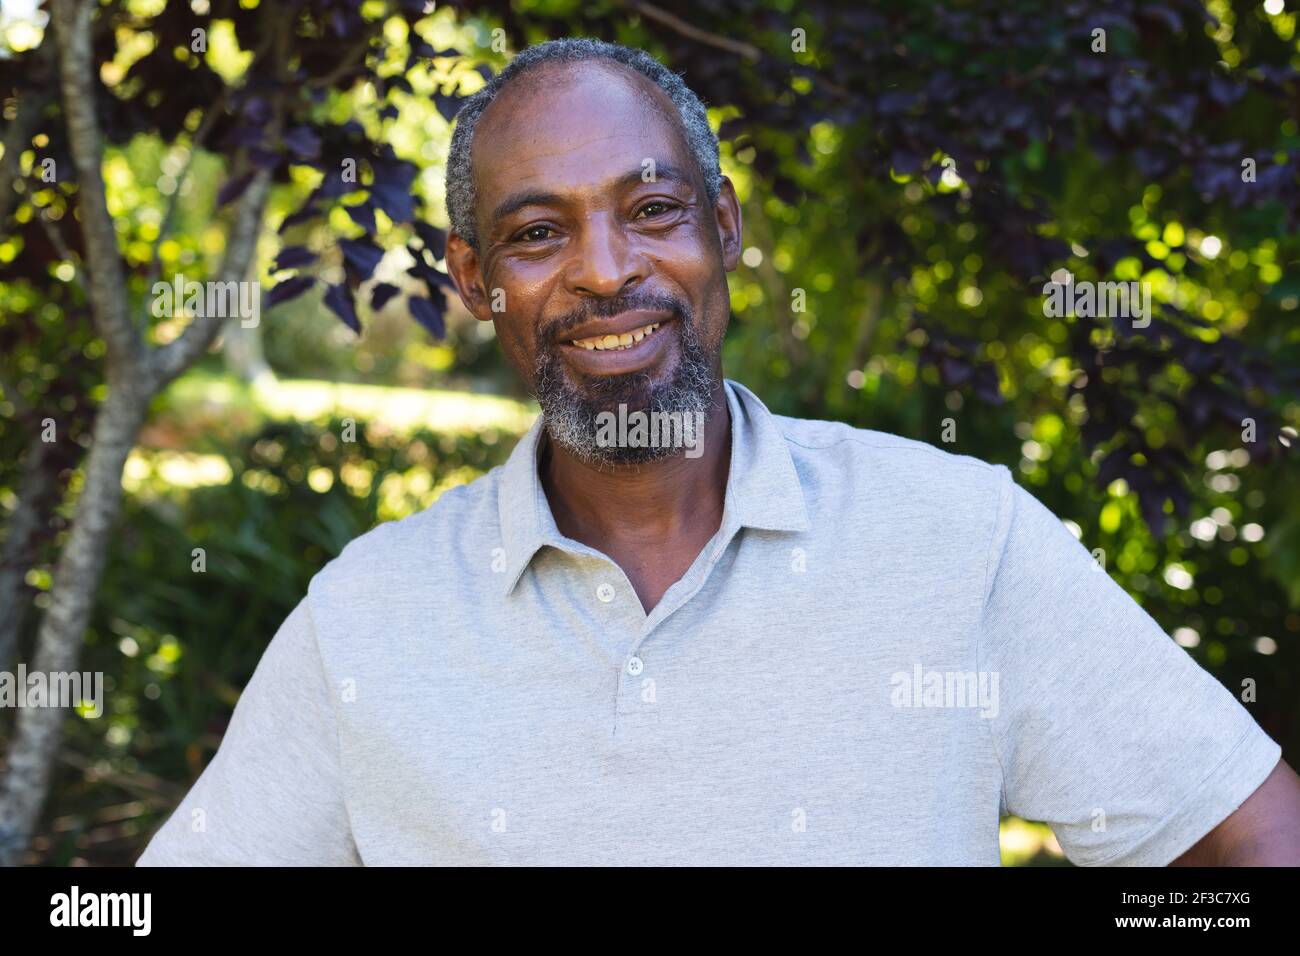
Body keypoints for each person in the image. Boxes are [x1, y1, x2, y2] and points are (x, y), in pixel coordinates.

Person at [138, 38, 1300, 866]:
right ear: (473, 280)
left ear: (724, 227)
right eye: (538, 233)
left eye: (651, 210)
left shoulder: (957, 538)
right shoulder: (367, 619)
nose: (603, 269)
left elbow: (1250, 837)